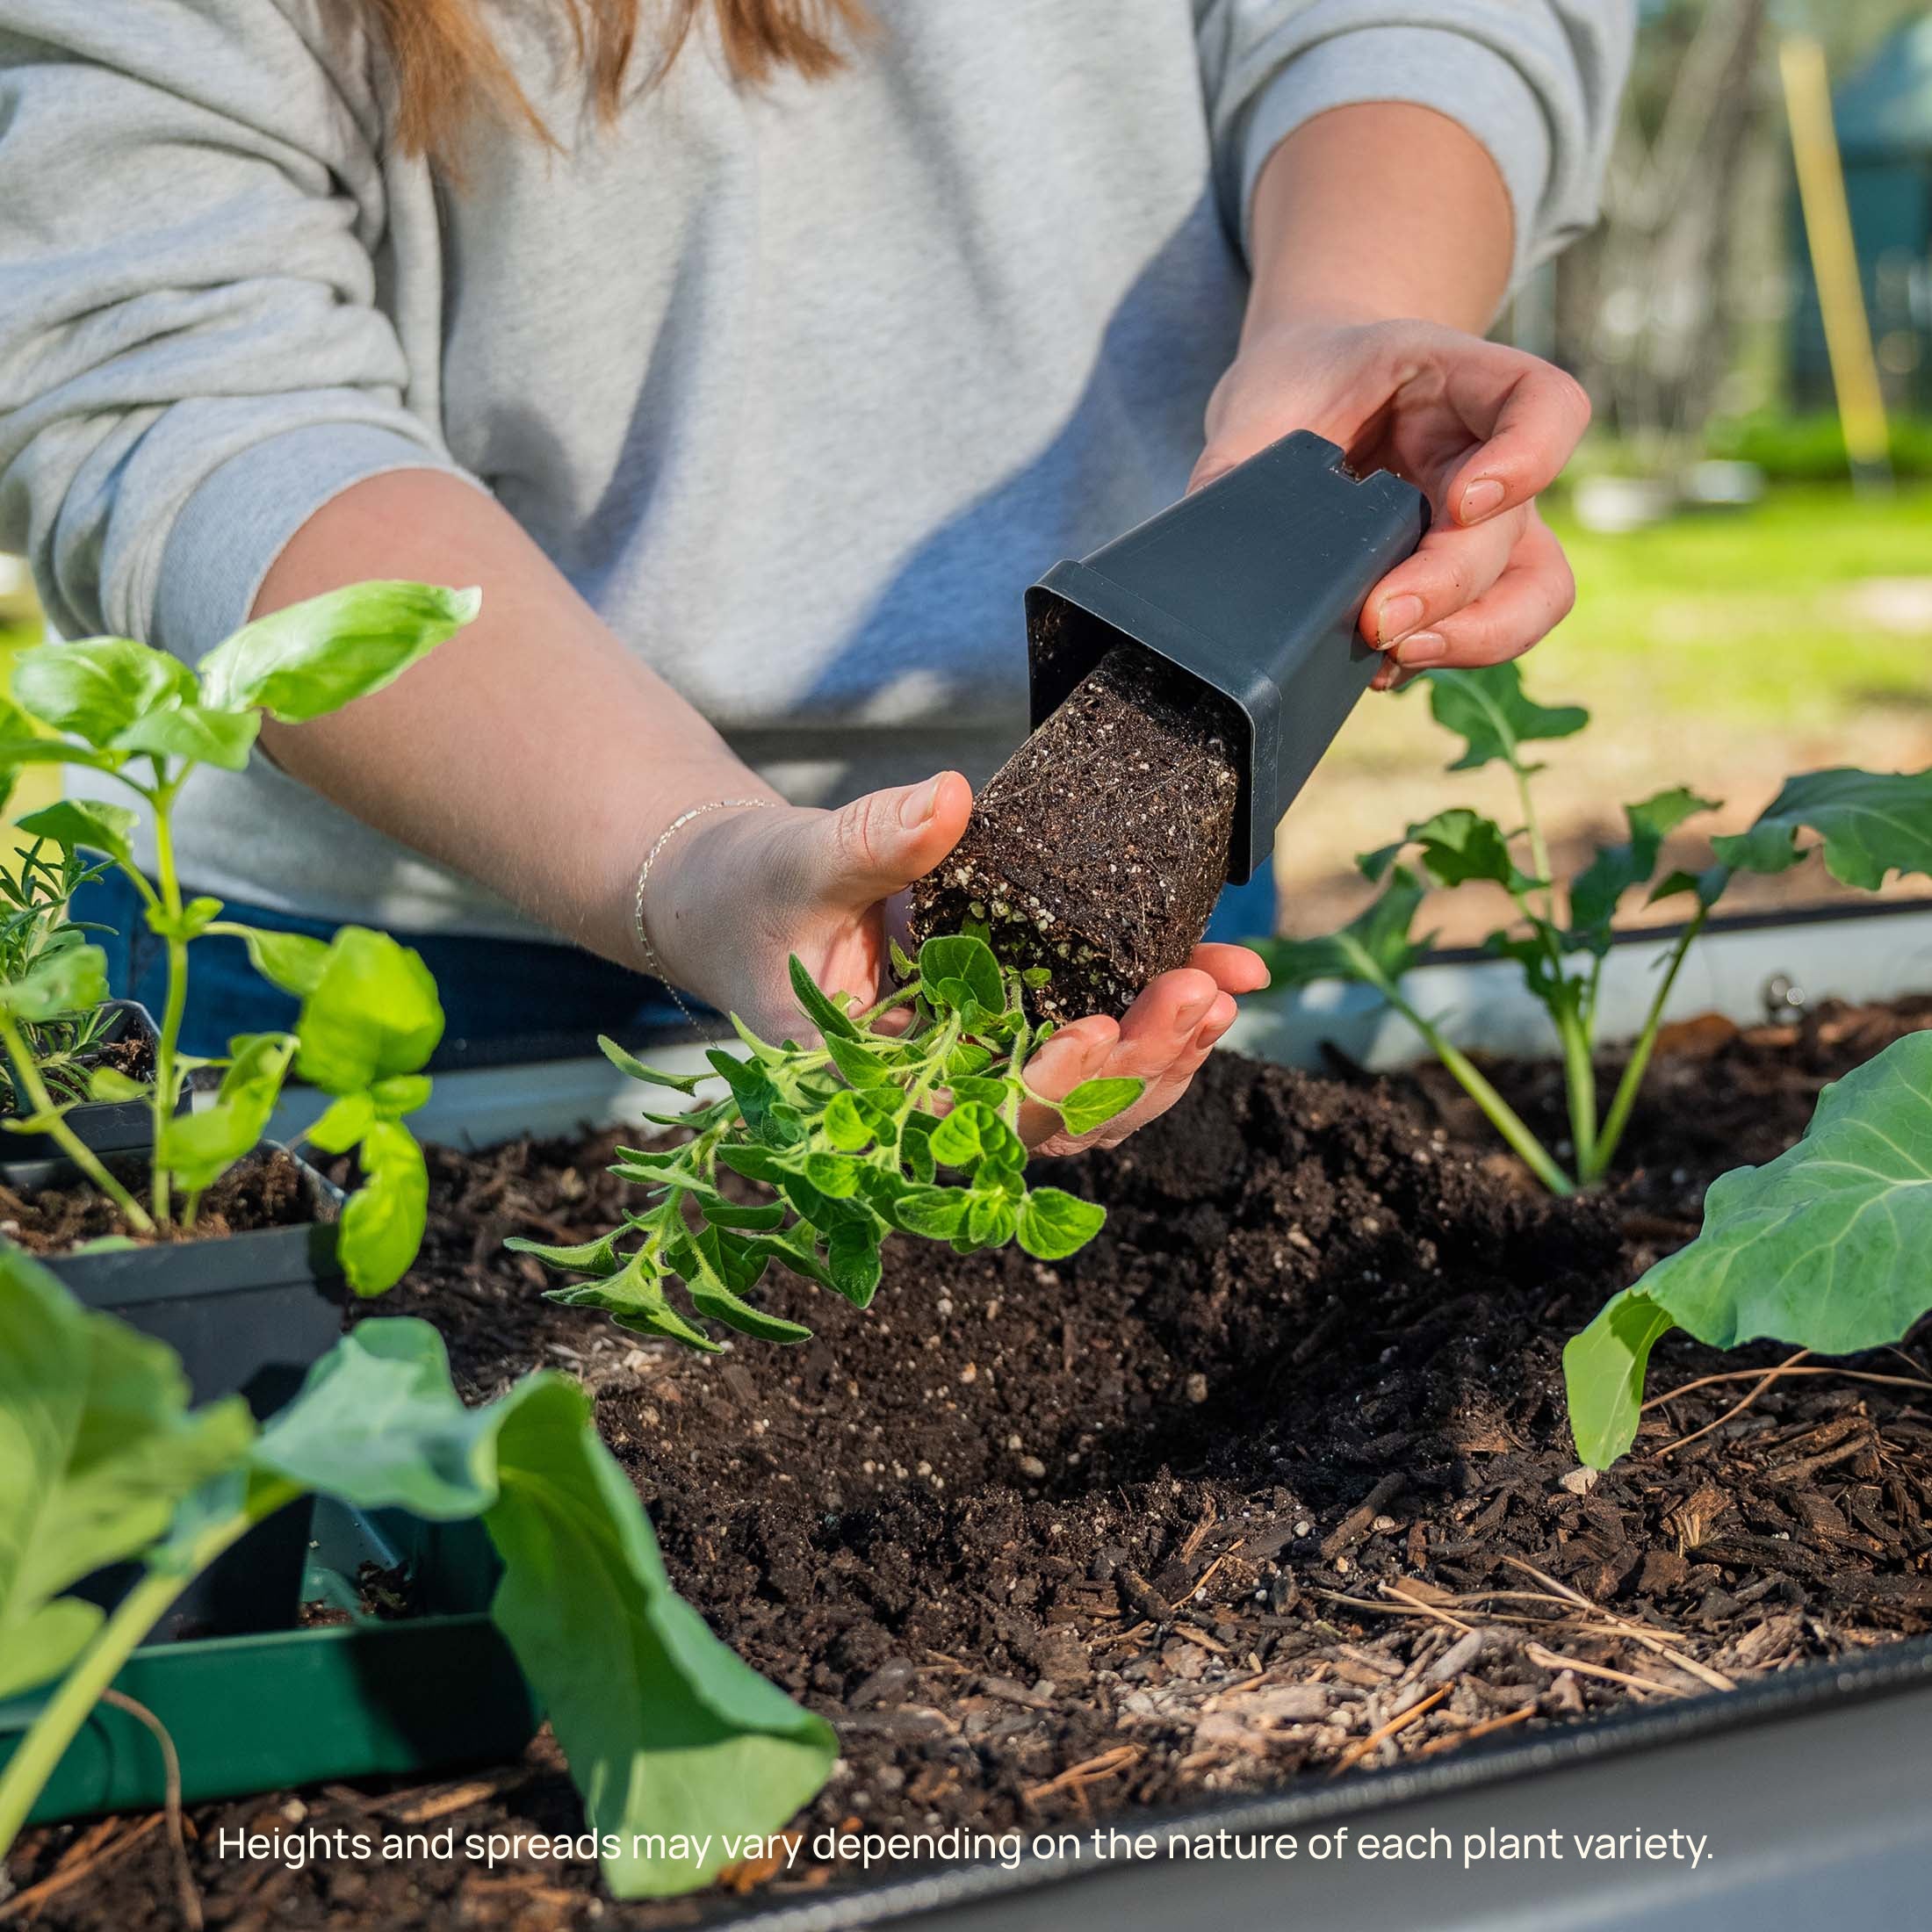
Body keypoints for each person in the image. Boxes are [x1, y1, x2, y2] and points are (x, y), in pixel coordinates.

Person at [0, 0, 1629, 1153]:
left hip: (1116, 830)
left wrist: (1348, 332)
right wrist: (699, 860)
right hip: (367, 940)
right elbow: (166, 359)